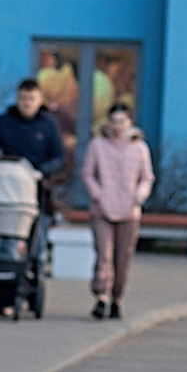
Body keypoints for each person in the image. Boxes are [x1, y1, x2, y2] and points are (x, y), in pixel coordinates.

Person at [81, 102, 153, 320]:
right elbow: (87, 174)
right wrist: (97, 194)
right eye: (114, 121)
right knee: (104, 255)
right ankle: (101, 296)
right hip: (102, 209)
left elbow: (147, 178)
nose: (117, 126)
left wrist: (138, 196)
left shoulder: (139, 148)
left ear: (129, 122)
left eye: (122, 121)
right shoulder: (97, 145)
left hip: (129, 212)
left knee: (123, 257)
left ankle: (117, 298)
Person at [0, 78, 68, 182]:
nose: (27, 103)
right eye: (23, 98)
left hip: (37, 181)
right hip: (7, 180)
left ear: (40, 101)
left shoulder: (49, 124)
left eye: (32, 99)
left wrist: (41, 171)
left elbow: (59, 159)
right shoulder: (4, 121)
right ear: (16, 99)